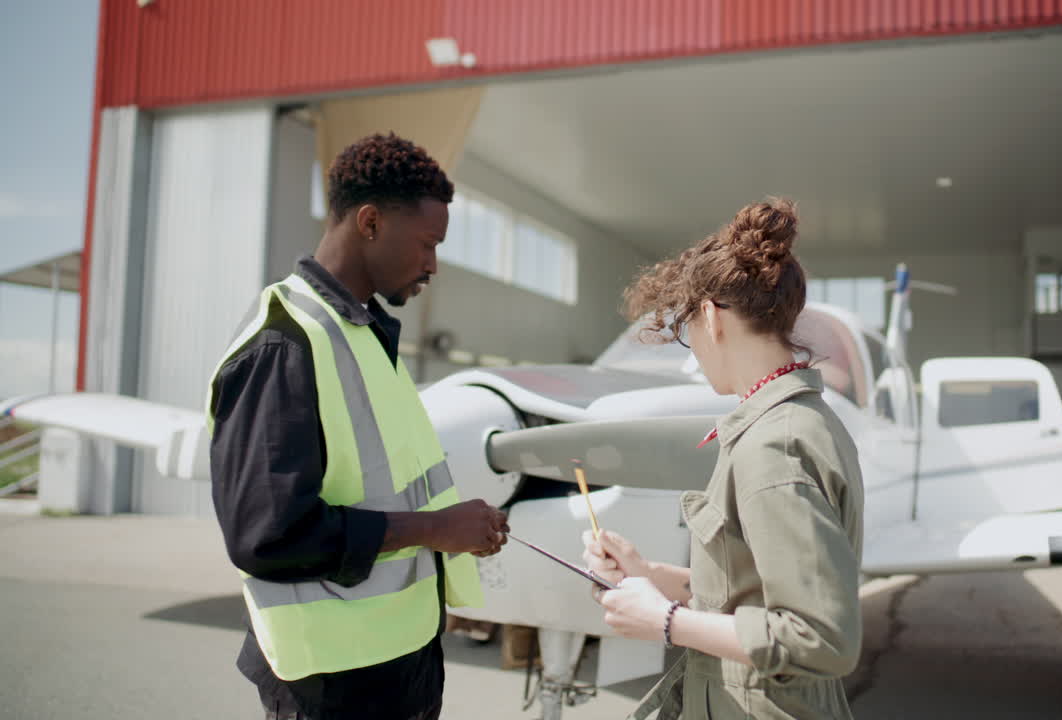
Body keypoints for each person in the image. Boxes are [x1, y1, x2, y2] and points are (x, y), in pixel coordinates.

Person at [208, 133, 508, 720]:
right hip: (331, 685)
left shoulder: (364, 336)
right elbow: (267, 536)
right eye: (428, 244)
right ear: (369, 222)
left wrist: (444, 570)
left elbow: (385, 485)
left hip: (397, 664)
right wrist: (434, 528)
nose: (433, 266)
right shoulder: (284, 344)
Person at [582, 198, 864, 719]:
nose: (690, 345)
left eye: (686, 328)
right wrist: (648, 573)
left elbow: (821, 638)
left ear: (710, 317)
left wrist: (665, 621)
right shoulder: (794, 422)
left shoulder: (774, 444)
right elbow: (754, 585)